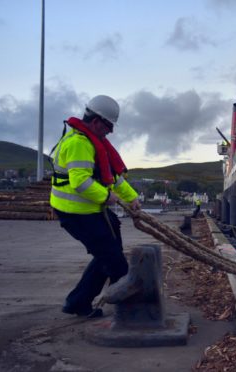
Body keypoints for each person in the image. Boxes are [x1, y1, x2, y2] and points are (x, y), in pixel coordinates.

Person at [50, 95, 141, 318]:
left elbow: (112, 178)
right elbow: (80, 182)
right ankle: (132, 310)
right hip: (76, 214)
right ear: (96, 121)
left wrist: (132, 197)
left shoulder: (94, 143)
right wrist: (106, 197)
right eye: (109, 125)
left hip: (90, 211)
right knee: (115, 262)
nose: (111, 131)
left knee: (108, 254)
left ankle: (77, 302)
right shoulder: (79, 144)